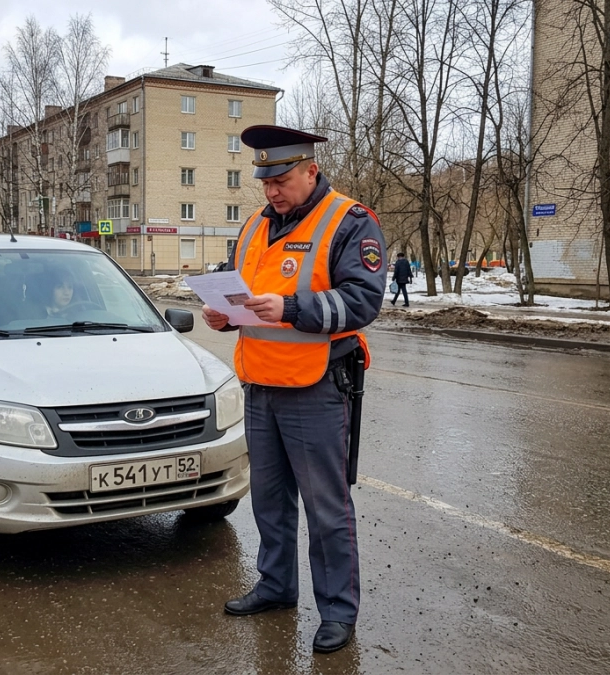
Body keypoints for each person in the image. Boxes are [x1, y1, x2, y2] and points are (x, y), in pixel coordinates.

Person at [203, 125, 386, 654]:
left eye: (280, 179)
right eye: (265, 181)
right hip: (260, 382)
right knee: (269, 501)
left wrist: (290, 309)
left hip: (316, 385)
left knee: (326, 507)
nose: (271, 191)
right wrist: (225, 315)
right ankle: (277, 586)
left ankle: (337, 613)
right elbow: (245, 291)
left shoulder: (350, 222)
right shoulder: (257, 226)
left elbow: (362, 302)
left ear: (310, 169)